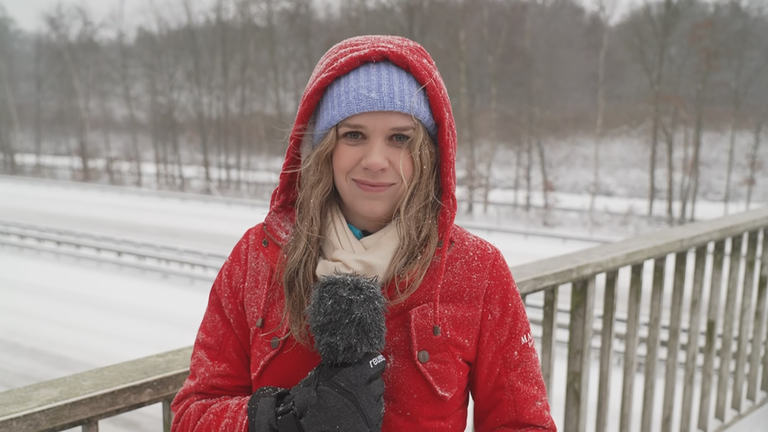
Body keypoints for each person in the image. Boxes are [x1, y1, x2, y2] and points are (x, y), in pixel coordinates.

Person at [171, 35, 556, 432]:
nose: (375, 161)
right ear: (325, 148)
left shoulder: (477, 270)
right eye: (353, 135)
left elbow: (524, 423)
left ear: (428, 151)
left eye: (400, 138)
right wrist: (281, 420)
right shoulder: (259, 256)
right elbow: (192, 413)